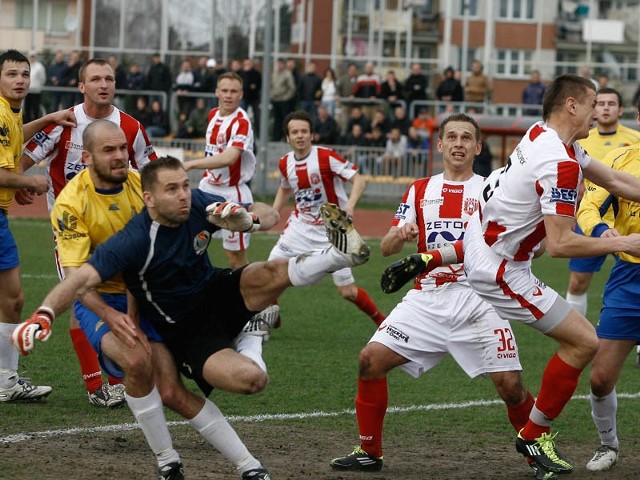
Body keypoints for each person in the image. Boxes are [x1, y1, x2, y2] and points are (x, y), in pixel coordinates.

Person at [12, 155, 371, 479]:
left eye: (185, 185)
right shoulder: (133, 240)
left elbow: (269, 213)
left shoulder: (199, 203)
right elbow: (80, 279)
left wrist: (248, 220)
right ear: (149, 199)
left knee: (267, 272)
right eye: (172, 189)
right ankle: (252, 335)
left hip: (215, 291)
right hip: (185, 330)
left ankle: (344, 256)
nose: (184, 195)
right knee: (252, 380)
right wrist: (44, 313)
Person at [381, 74, 640, 478]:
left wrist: (436, 255)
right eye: (592, 104)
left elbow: (613, 180)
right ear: (572, 106)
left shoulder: (542, 136)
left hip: (482, 245)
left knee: (578, 341)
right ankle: (535, 436)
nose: (596, 113)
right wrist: (626, 243)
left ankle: (533, 433)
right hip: (502, 271)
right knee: (585, 342)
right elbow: (560, 244)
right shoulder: (561, 163)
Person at [330, 113, 535, 475]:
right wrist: (402, 233)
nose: (458, 143)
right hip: (427, 298)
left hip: (479, 298)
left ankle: (539, 452)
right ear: (439, 145)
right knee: (369, 362)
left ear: (477, 147)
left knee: (511, 387)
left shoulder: (493, 190)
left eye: (466, 138)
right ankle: (370, 452)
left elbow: (507, 242)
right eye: (451, 137)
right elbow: (389, 248)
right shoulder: (418, 190)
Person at [21, 57, 157, 408]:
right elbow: (22, 159)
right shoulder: (64, 121)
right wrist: (21, 183)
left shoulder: (130, 126)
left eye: (109, 79)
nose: (104, 84)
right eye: (95, 79)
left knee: (126, 292)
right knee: (83, 292)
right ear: (81, 86)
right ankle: (98, 384)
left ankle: (120, 376)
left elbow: (153, 173)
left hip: (120, 224)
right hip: (71, 225)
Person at [257, 110, 385, 330]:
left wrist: (350, 205)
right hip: (299, 229)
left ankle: (382, 321)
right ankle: (273, 316)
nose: (300, 136)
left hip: (332, 232)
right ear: (287, 138)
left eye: (304, 131)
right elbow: (285, 187)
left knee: (347, 291)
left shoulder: (326, 157)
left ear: (311, 135)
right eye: (294, 132)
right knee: (270, 272)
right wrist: (273, 214)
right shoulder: (284, 163)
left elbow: (358, 179)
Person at [0, 49, 75, 402]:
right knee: (12, 298)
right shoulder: (0, 113)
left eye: (24, 74)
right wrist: (30, 182)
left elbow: (15, 138)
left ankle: (6, 380)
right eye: (11, 74)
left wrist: (47, 119)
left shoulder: (10, 114)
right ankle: (6, 380)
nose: (19, 80)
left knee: (11, 299)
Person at [576, 105, 640, 472]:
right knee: (600, 378)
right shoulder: (619, 159)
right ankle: (608, 445)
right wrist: (604, 232)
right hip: (629, 280)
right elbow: (588, 207)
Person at [565, 87, 640, 319]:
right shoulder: (582, 137)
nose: (606, 108)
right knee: (577, 281)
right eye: (601, 103)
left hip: (629, 223)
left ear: (621, 109)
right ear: (594, 109)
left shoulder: (633, 140)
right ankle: (575, 335)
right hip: (593, 217)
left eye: (612, 103)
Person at [183, 72, 256, 268]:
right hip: (208, 188)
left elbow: (230, 157)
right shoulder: (212, 114)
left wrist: (191, 164)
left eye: (233, 91)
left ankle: (253, 297)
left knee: (235, 259)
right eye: (224, 90)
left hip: (233, 192)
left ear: (241, 94)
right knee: (191, 244)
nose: (228, 95)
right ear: (217, 92)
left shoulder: (241, 121)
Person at [270, 58, 296, 141]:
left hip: (284, 100)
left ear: (284, 65)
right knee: (276, 119)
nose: (279, 65)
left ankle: (286, 137)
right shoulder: (274, 74)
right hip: (275, 100)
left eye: (281, 64)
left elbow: (292, 88)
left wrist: (286, 97)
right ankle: (276, 137)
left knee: (285, 119)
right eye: (278, 64)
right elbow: (271, 85)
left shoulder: (287, 74)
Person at [24, 50, 46, 123]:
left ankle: (36, 123)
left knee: (35, 108)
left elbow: (43, 78)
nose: (32, 58)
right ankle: (27, 122)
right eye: (30, 56)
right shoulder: (26, 65)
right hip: (27, 90)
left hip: (36, 91)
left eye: (33, 56)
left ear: (35, 57)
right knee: (27, 108)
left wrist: (39, 87)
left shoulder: (39, 67)